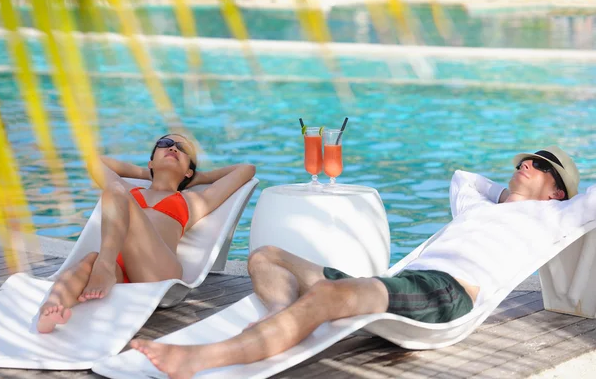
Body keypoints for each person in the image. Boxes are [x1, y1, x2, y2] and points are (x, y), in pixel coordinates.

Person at [131, 146, 579, 379]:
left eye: (540, 165)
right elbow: (465, 179)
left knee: (329, 294)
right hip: (398, 283)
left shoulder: (556, 214)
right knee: (267, 256)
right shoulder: (480, 207)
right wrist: (505, 196)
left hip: (450, 293)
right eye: (526, 158)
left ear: (558, 190)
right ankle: (281, 318)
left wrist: (541, 199)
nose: (526, 163)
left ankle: (203, 359)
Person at [37, 134, 256, 333]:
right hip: (118, 267)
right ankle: (51, 308)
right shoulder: (130, 191)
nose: (173, 148)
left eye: (183, 148)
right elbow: (96, 161)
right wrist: (147, 173)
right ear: (151, 161)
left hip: (157, 271)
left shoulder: (193, 201)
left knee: (114, 192)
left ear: (189, 170)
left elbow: (246, 169)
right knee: (86, 263)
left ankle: (102, 267)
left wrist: (197, 178)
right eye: (165, 144)